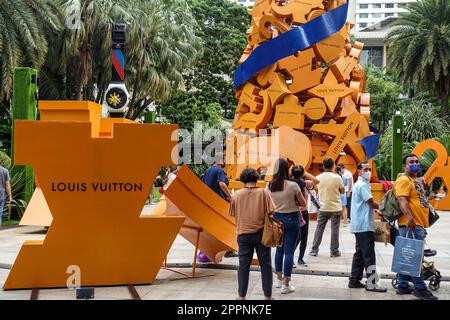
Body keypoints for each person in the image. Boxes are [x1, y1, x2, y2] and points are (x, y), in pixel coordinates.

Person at [393, 154, 438, 300]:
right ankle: (419, 288)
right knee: (415, 258)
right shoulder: (404, 180)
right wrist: (410, 219)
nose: (415, 164)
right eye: (411, 162)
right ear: (404, 165)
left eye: (417, 161)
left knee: (407, 255)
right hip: (411, 225)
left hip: (415, 224)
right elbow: (402, 200)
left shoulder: (413, 180)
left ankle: (402, 285)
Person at [229, 168, 274, 300]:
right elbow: (272, 211)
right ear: (256, 179)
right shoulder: (263, 193)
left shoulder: (236, 195)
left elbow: (232, 214)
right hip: (261, 234)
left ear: (243, 180)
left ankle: (241, 296)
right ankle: (267, 297)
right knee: (265, 265)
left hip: (243, 234)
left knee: (243, 266)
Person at [267, 158, 306, 294]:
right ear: (286, 169)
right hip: (292, 219)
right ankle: (286, 284)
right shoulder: (293, 186)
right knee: (289, 252)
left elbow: (269, 204)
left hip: (277, 219)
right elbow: (303, 203)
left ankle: (278, 280)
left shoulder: (270, 185)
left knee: (279, 250)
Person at [348, 162, 387, 292]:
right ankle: (372, 284)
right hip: (364, 225)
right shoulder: (362, 185)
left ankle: (354, 280)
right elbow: (371, 202)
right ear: (359, 171)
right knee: (369, 255)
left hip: (359, 224)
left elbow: (366, 204)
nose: (368, 171)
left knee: (359, 254)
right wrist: (385, 208)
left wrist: (378, 210)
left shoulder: (360, 184)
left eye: (369, 169)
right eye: (365, 169)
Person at [309, 158, 345, 257]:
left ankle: (314, 250)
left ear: (323, 166)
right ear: (333, 165)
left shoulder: (318, 177)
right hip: (335, 208)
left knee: (319, 228)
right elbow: (342, 192)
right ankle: (334, 251)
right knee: (335, 229)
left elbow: (316, 188)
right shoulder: (337, 178)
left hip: (323, 207)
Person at [201, 157, 235, 259]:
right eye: (224, 160)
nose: (225, 162)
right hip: (219, 202)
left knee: (213, 226)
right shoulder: (219, 170)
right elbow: (221, 184)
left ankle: (210, 249)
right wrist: (230, 196)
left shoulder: (208, 170)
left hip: (210, 202)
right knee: (228, 225)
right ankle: (228, 250)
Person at [291, 166, 319, 267]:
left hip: (293, 213)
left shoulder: (289, 183)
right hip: (303, 212)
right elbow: (317, 180)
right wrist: (306, 173)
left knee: (295, 237)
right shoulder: (305, 183)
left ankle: (290, 257)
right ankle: (300, 259)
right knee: (303, 237)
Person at [0, 159, 12, 227]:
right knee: (0, 213)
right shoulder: (5, 171)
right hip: (1, 195)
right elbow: (7, 184)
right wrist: (10, 196)